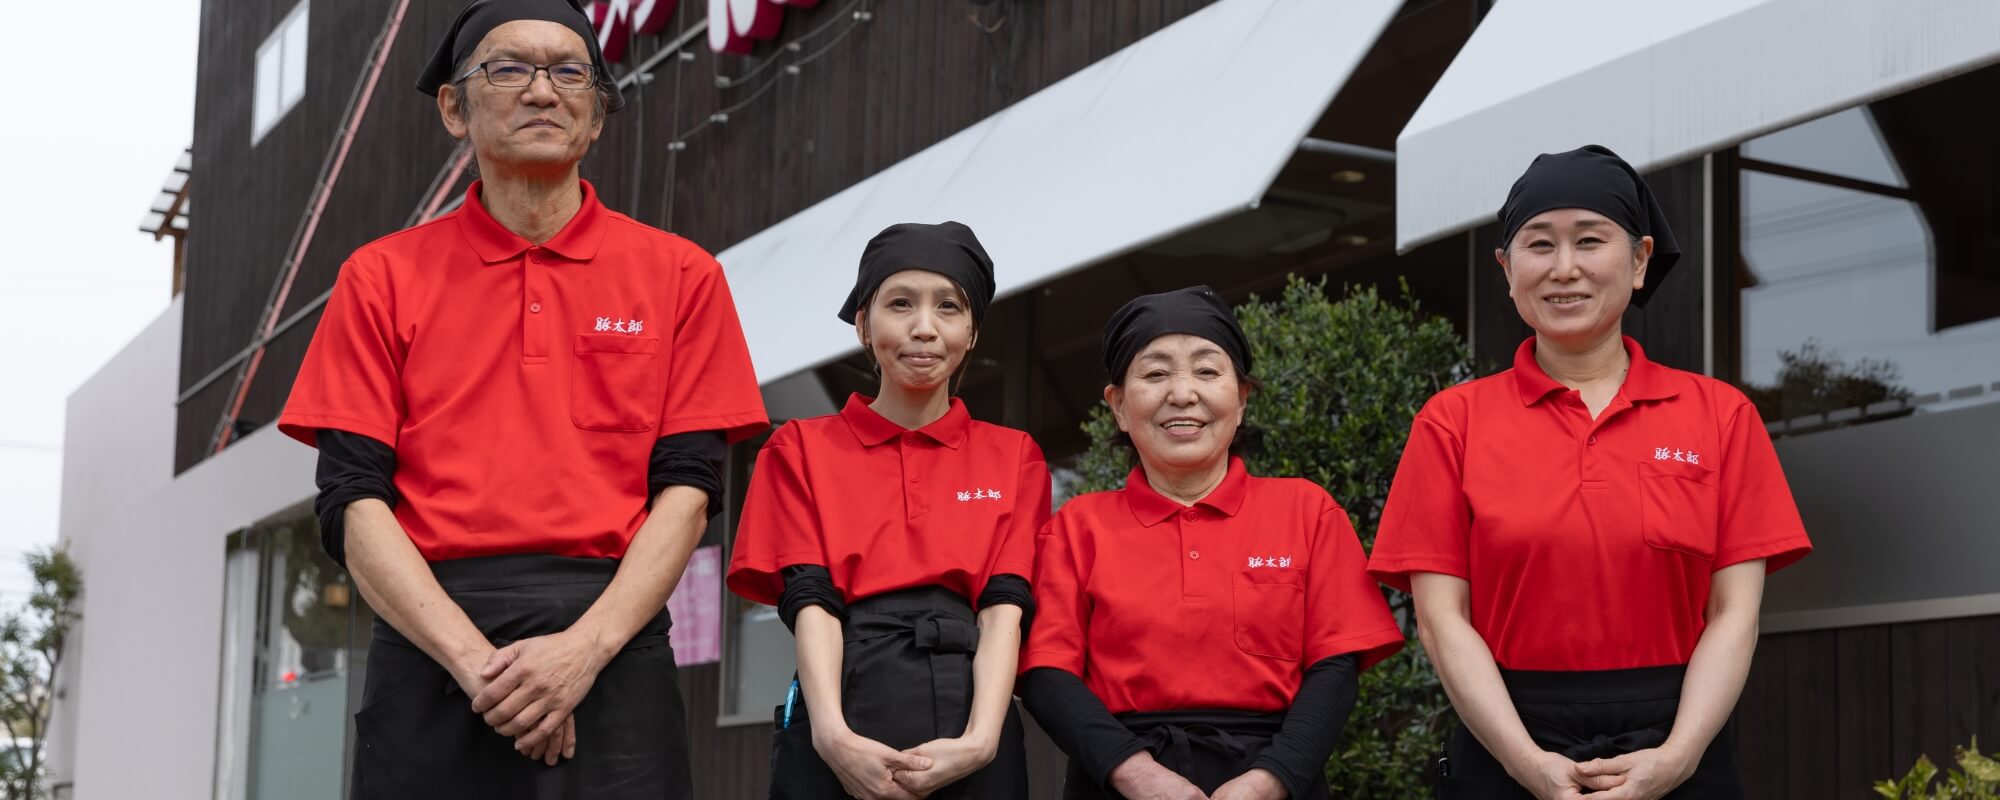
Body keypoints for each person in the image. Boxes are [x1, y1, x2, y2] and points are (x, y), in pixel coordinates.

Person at [277, 1, 767, 796]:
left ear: (598, 114)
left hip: (613, 639)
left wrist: (582, 651)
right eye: (509, 69)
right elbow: (351, 499)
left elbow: (691, 491)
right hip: (433, 642)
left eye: (570, 71)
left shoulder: (681, 276)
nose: (544, 90)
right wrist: (479, 668)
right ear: (452, 107)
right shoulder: (380, 277)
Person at [1367, 145, 1813, 799]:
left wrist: (1680, 756)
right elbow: (1440, 621)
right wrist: (1526, 763)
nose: (1565, 268)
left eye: (1590, 240)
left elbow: (1734, 613)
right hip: (1504, 741)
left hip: (1678, 745)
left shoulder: (1720, 416)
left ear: (1638, 261)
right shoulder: (1451, 422)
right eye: (1539, 244)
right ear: (1507, 269)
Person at [1020, 286, 1405, 800]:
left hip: (1277, 779)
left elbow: (1334, 669)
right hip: (1117, 779)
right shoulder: (1075, 528)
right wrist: (1138, 777)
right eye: (1155, 374)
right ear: (1117, 406)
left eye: (1207, 371)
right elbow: (1047, 674)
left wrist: (1269, 781)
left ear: (1241, 398)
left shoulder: (1307, 511)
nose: (1182, 394)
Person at [726, 221, 1049, 800]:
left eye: (948, 307)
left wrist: (981, 739)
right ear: (862, 324)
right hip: (842, 698)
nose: (924, 328)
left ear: (972, 332)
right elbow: (810, 600)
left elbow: (1005, 608)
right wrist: (831, 735)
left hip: (972, 709)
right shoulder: (799, 446)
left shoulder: (1015, 456)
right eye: (900, 304)